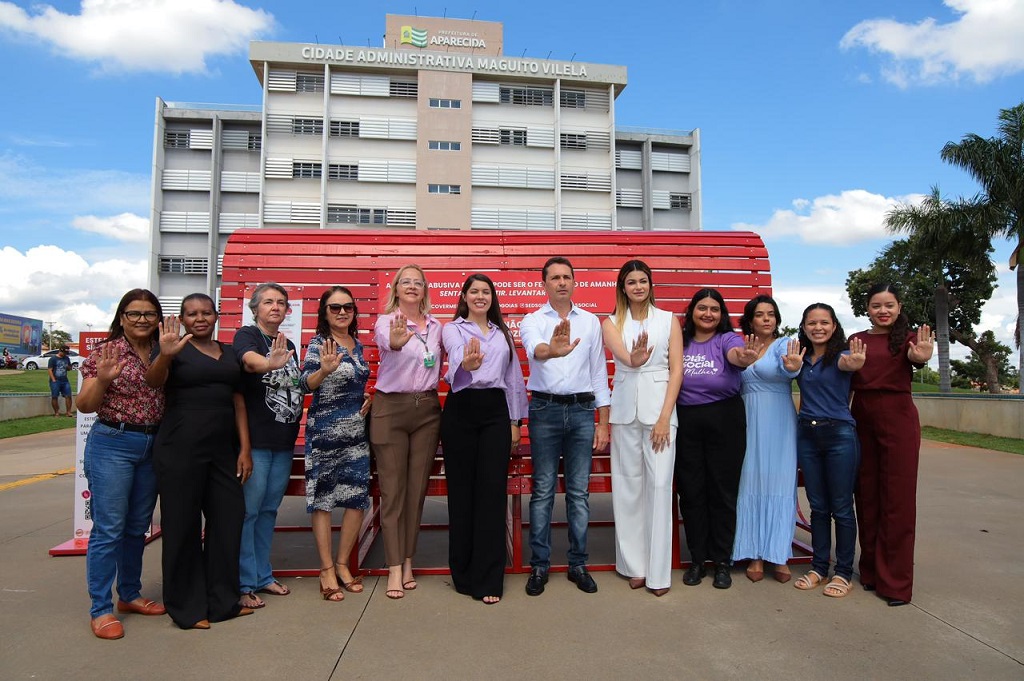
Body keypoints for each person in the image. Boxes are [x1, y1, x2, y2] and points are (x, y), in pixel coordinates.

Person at [145, 294, 253, 629]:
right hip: (180, 448)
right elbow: (153, 381)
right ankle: (188, 608)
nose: (200, 318)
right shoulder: (172, 349)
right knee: (182, 526)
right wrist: (165, 355)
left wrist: (244, 449)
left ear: (217, 315)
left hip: (223, 451)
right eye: (192, 314)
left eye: (206, 312)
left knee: (228, 521)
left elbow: (238, 401)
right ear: (182, 318)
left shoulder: (230, 352)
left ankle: (223, 602)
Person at [76, 289, 167, 640]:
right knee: (109, 529)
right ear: (122, 317)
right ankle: (100, 609)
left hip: (153, 444)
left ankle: (129, 594)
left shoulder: (163, 348)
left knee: (136, 528)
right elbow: (85, 406)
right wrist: (102, 379)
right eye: (134, 314)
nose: (142, 319)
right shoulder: (105, 351)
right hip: (113, 443)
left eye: (148, 313)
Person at [520, 256, 610, 596]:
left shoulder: (590, 322)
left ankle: (578, 564)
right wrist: (552, 350)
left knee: (578, 492)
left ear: (574, 283)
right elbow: (535, 350)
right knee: (542, 491)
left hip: (583, 410)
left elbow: (599, 372)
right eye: (554, 277)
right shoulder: (532, 320)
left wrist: (603, 421)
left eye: (566, 277)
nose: (561, 282)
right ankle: (539, 566)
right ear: (544, 284)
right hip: (545, 410)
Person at [441, 274, 529, 605]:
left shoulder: (501, 333)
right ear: (464, 296)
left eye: (486, 292)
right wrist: (466, 364)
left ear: (492, 297)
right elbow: (452, 364)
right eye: (474, 291)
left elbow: (513, 378)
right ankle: (463, 574)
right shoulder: (453, 329)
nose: (480, 296)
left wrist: (515, 421)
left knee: (492, 492)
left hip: (495, 411)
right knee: (462, 493)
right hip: (461, 409)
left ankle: (490, 577)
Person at [601, 260, 683, 597]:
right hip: (624, 413)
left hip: (660, 412)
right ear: (623, 287)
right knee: (628, 488)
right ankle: (634, 565)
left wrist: (665, 416)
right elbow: (625, 357)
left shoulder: (669, 320)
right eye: (631, 282)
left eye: (643, 281)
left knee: (660, 486)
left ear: (650, 285)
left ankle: (659, 573)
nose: (638, 286)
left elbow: (676, 370)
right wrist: (634, 358)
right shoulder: (610, 322)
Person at [850, 283, 933, 606]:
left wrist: (920, 358)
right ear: (867, 309)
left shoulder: (910, 339)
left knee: (897, 501)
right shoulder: (858, 340)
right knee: (867, 496)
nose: (882, 311)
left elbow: (919, 356)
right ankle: (869, 571)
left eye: (889, 305)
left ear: (899, 307)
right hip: (862, 418)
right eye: (876, 305)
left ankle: (896, 583)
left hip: (898, 417)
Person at [675, 288, 760, 590]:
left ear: (722, 314)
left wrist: (744, 358)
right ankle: (698, 559)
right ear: (692, 312)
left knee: (723, 493)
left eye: (714, 309)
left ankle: (722, 561)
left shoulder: (728, 339)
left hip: (725, 419)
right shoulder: (681, 342)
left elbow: (737, 357)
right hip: (687, 421)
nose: (708, 314)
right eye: (702, 308)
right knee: (692, 492)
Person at [370, 265, 443, 600]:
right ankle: (394, 567)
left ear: (425, 289)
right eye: (406, 282)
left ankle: (409, 560)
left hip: (427, 410)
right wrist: (397, 343)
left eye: (418, 282)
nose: (412, 287)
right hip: (391, 409)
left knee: (416, 492)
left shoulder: (438, 326)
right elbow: (388, 342)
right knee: (393, 492)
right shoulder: (388, 322)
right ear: (396, 289)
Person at [299, 287, 372, 602]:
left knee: (356, 498)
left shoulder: (357, 345)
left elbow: (355, 382)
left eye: (348, 307)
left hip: (356, 434)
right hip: (326, 433)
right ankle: (326, 569)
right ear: (324, 312)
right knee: (324, 500)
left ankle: (343, 565)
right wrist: (323, 372)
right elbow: (303, 383)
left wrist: (366, 397)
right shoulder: (319, 345)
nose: (342, 312)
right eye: (335, 307)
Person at [233, 283, 303, 608]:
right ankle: (243, 582)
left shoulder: (288, 344)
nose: (276, 307)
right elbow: (249, 363)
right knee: (248, 512)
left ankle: (263, 575)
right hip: (257, 443)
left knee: (268, 511)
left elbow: (295, 385)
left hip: (283, 442)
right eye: (269, 302)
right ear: (255, 308)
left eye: (281, 303)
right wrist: (268, 364)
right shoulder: (247, 336)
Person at [791, 303, 866, 598]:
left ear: (834, 327)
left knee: (842, 507)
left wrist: (856, 362)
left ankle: (844, 573)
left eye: (824, 322)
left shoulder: (843, 355)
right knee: (818, 507)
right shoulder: (800, 358)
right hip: (807, 435)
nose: (818, 327)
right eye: (812, 322)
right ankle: (819, 567)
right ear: (804, 326)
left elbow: (851, 365)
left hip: (839, 435)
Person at [732, 295, 803, 584]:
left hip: (779, 419)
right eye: (759, 314)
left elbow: (792, 367)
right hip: (746, 418)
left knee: (779, 482)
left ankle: (778, 553)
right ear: (749, 319)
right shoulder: (740, 347)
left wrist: (793, 367)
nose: (766, 319)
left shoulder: (786, 344)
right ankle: (753, 553)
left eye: (771, 314)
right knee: (749, 481)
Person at [48, 346, 74, 417]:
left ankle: (68, 412)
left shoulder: (66, 358)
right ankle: (56, 412)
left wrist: (67, 367)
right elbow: (50, 370)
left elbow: (70, 368)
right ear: (60, 351)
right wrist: (53, 380)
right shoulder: (53, 359)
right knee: (54, 396)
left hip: (65, 380)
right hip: (56, 380)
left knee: (68, 395)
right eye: (64, 353)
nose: (65, 354)